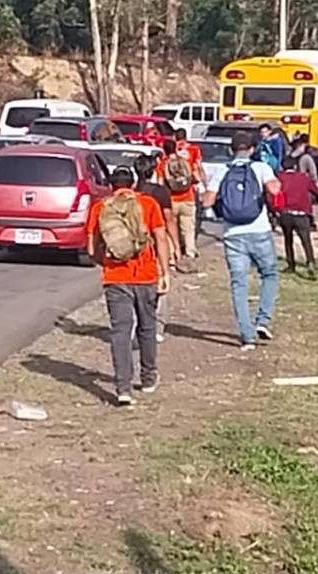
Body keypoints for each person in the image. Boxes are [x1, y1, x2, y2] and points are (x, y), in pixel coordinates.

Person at [86, 167, 170, 406]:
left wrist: (106, 261)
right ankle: (148, 377)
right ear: (132, 184)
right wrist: (164, 271)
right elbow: (160, 237)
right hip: (146, 275)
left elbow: (91, 248)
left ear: (111, 185)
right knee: (147, 327)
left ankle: (123, 387)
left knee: (120, 331)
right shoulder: (148, 203)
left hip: (115, 277)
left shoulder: (100, 207)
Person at [202, 132, 282, 351]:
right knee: (269, 274)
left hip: (232, 235)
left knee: (239, 283)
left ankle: (247, 335)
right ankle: (262, 320)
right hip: (259, 230)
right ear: (252, 149)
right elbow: (274, 189)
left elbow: (207, 201)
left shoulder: (223, 171)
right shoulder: (261, 168)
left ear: (231, 150)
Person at [134, 154, 175, 343]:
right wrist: (176, 244)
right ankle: (157, 327)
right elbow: (168, 219)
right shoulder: (160, 192)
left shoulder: (132, 191)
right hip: (157, 241)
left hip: (136, 242)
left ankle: (139, 324)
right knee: (161, 285)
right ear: (153, 170)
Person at [273, 156, 318, 279]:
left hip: (285, 213)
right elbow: (317, 191)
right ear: (295, 166)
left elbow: (272, 194)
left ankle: (291, 264)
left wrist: (275, 211)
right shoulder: (303, 178)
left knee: (288, 239)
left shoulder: (279, 178)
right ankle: (310, 262)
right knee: (306, 240)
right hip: (301, 213)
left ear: (282, 167)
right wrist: (316, 199)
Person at [157, 138, 200, 267]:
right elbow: (196, 178)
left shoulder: (163, 164)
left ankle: (172, 256)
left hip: (171, 201)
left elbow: (160, 183)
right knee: (189, 229)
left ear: (164, 150)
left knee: (171, 229)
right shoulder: (185, 161)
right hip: (188, 198)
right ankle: (190, 252)